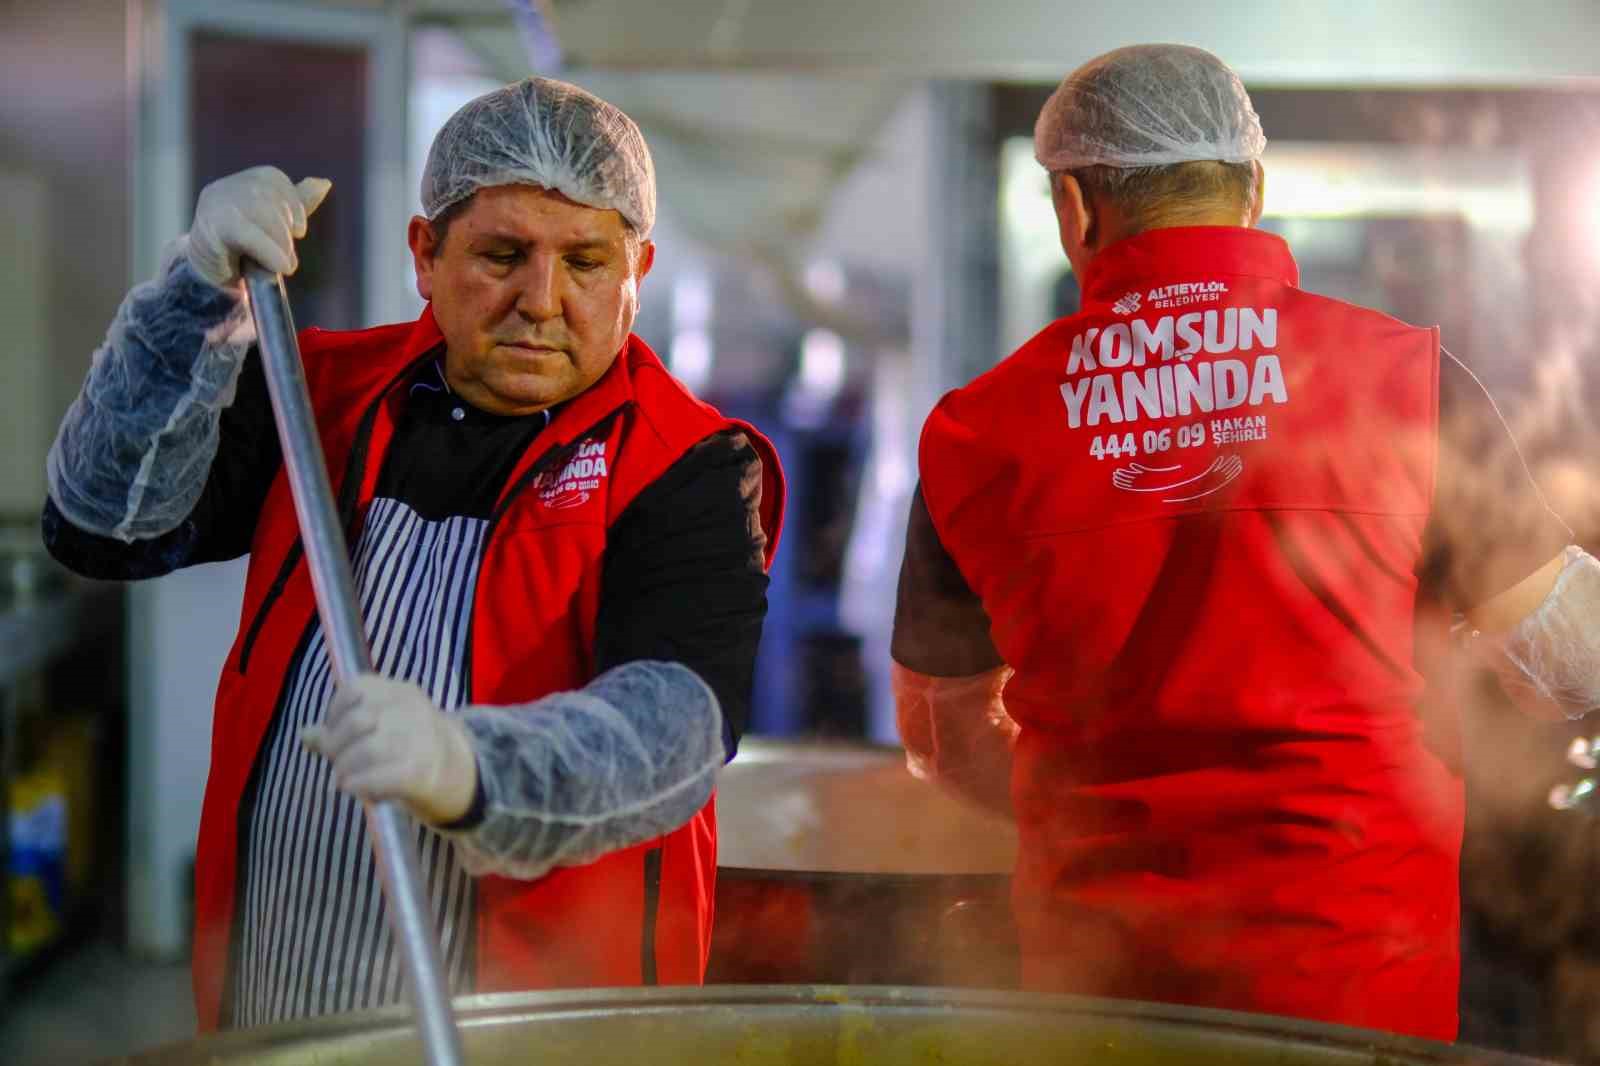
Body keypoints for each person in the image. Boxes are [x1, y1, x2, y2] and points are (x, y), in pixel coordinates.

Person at [42, 77, 784, 1031]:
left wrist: (470, 767)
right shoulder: (323, 394)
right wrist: (197, 297)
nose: (541, 301)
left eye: (587, 261)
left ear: (638, 267)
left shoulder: (684, 465)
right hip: (281, 994)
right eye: (502, 255)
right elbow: (104, 524)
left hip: (543, 1032)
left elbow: (673, 733)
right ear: (424, 255)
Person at [891, 43, 1597, 1042]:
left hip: (1099, 989)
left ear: (1074, 210)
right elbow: (1573, 659)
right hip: (1354, 981)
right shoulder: (1403, 377)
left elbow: (940, 738)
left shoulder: (974, 430)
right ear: (1252, 189)